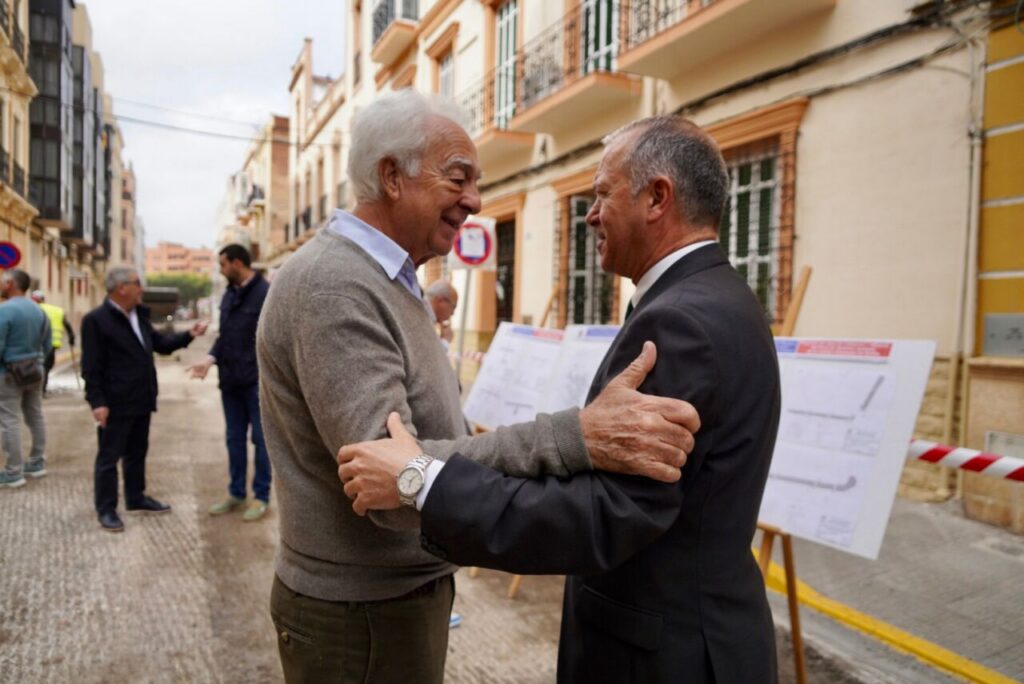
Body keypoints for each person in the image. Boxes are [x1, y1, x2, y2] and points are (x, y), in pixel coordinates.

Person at [256, 90, 699, 684]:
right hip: (360, 612)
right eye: (458, 178)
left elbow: (415, 459)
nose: (475, 201)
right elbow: (389, 486)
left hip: (387, 598)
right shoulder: (336, 286)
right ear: (391, 176)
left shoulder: (388, 278)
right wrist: (575, 438)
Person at [338, 116, 782, 683]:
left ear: (657, 197)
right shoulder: (713, 296)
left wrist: (423, 481)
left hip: (666, 657)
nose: (591, 213)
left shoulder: (681, 321)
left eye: (602, 193)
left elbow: (605, 515)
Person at [81, 267, 208, 533]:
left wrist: (189, 335)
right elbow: (91, 367)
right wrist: (97, 402)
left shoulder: (138, 315)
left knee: (137, 452)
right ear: (121, 288)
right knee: (108, 457)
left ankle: (136, 497)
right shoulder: (96, 320)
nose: (142, 289)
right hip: (115, 402)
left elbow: (160, 344)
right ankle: (106, 509)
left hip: (141, 397)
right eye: (138, 283)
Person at [187, 244, 271, 521]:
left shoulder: (265, 294)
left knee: (260, 440)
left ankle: (261, 496)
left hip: (257, 383)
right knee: (234, 439)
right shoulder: (229, 295)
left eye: (223, 264)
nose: (221, 270)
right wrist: (210, 359)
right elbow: (226, 336)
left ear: (237, 263)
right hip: (230, 382)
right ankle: (236, 493)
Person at [0, 270, 51, 488]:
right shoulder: (39, 311)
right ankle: (37, 462)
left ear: (10, 283)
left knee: (9, 419)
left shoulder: (4, 310)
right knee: (35, 415)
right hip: (35, 370)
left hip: (9, 372)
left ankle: (13, 472)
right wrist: (38, 362)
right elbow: (47, 345)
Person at [30, 290, 75, 395]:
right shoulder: (57, 310)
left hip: (36, 343)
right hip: (53, 344)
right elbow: (67, 325)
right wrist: (71, 337)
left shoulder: (33, 310)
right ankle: (43, 389)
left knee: (37, 365)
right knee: (46, 366)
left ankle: (37, 389)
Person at [425, 279, 457, 348]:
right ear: (441, 300)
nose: (452, 313)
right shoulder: (423, 316)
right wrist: (445, 340)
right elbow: (430, 355)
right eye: (453, 307)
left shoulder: (426, 314)